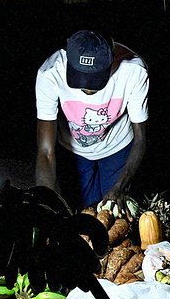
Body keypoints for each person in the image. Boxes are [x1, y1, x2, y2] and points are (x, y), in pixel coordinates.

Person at [35, 29, 149, 214]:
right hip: (73, 149)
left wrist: (120, 186)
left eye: (95, 80)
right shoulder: (50, 74)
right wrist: (47, 201)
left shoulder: (134, 70)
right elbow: (46, 151)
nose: (87, 88)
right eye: (79, 78)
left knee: (114, 212)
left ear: (112, 61)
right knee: (84, 211)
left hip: (118, 146)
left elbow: (141, 139)